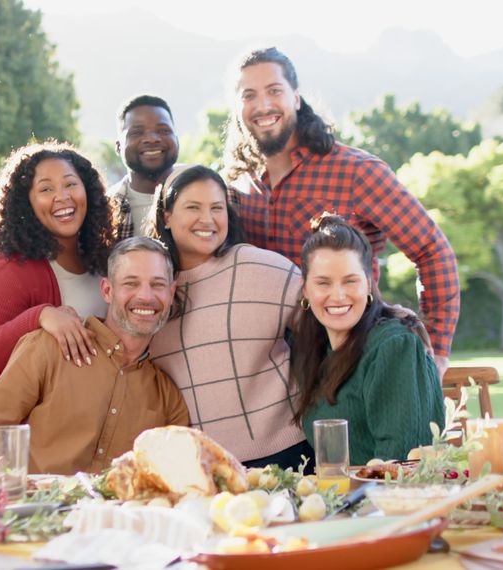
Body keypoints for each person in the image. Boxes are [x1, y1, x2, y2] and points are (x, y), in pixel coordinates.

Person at [223, 46, 460, 379]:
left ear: (296, 98)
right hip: (269, 379)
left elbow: (432, 250)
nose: (262, 105)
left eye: (274, 91)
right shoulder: (234, 187)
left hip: (354, 366)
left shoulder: (356, 171)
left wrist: (436, 350)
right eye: (249, 95)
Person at [0, 237, 190, 475]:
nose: (146, 296)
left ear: (171, 293)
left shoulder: (168, 399)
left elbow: (180, 475)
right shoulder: (48, 350)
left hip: (118, 512)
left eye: (158, 285)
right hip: (40, 508)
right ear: (107, 291)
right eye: (131, 283)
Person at [147, 164, 310, 470]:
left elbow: (329, 323)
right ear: (167, 216)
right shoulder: (152, 290)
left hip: (286, 455)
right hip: (202, 464)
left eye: (216, 208)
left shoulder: (262, 268)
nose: (207, 219)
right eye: (193, 207)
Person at [292, 213, 444, 465]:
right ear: (306, 289)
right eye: (323, 283)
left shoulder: (394, 346)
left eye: (350, 281)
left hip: (386, 500)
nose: (338, 295)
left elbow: (403, 464)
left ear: (368, 284)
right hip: (338, 498)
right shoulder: (314, 350)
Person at [0, 141, 115, 386]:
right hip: (31, 421)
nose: (62, 197)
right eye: (46, 190)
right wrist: (41, 316)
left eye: (71, 184)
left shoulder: (106, 261)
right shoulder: (12, 268)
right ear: (27, 203)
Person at [108, 95, 180, 240]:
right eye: (137, 132)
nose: (152, 138)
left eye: (163, 131)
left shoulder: (219, 195)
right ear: (118, 146)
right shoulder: (104, 211)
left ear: (177, 139)